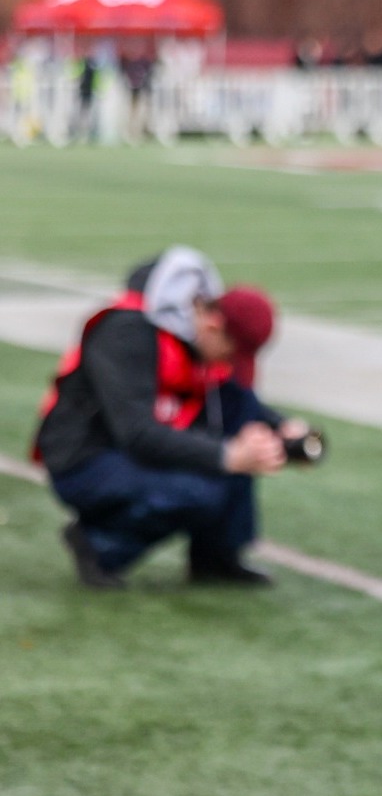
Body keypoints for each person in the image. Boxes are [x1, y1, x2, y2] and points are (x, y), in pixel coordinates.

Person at [33, 248, 308, 589]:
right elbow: (138, 435)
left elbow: (237, 401)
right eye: (231, 353)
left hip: (134, 444)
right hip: (84, 457)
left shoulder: (192, 329)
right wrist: (228, 455)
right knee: (202, 488)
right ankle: (98, 545)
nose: (229, 363)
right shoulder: (127, 330)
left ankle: (217, 558)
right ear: (212, 324)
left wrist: (282, 430)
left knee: (243, 427)